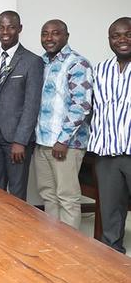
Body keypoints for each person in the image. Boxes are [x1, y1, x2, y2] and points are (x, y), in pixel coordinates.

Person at [34, 19, 92, 229]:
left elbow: (81, 105)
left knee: (67, 197)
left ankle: (70, 248)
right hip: (42, 142)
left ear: (66, 36)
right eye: (45, 33)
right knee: (48, 195)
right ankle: (53, 243)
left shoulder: (77, 63)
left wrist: (63, 139)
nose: (49, 38)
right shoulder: (40, 63)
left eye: (55, 33)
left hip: (66, 145)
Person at [0, 11, 44, 201]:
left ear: (20, 29)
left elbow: (32, 104)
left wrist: (21, 141)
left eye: (10, 27)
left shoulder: (32, 61)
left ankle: (17, 231)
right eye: (1, 27)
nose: (5, 31)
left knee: (16, 193)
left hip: (15, 138)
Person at [89, 17, 131, 253]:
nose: (122, 39)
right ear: (109, 40)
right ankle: (113, 261)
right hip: (107, 153)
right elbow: (89, 106)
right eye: (116, 36)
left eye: (127, 34)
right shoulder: (100, 70)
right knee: (110, 212)